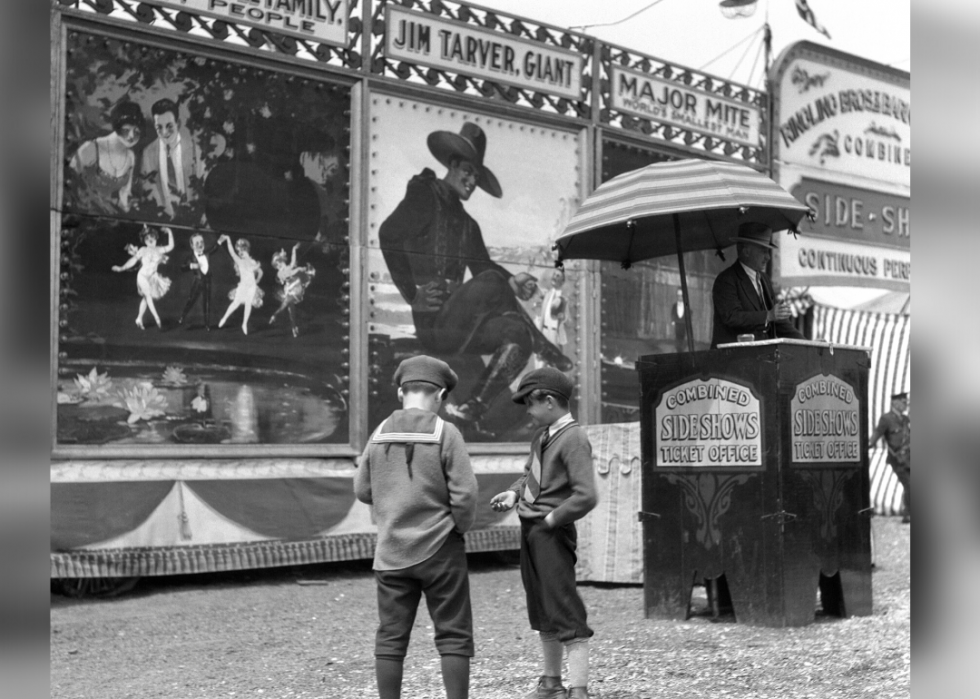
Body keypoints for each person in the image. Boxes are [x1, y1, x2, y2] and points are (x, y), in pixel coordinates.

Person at [379, 122, 572, 433]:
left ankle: (473, 408)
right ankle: (543, 344)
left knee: (515, 334)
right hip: (435, 324)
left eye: (476, 177)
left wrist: (514, 280)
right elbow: (388, 235)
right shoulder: (424, 195)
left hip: (461, 327)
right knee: (497, 284)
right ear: (452, 166)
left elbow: (483, 267)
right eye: (467, 172)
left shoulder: (469, 224)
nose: (471, 181)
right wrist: (412, 295)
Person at [354, 355, 479, 699]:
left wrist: (391, 504)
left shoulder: (378, 434)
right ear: (440, 396)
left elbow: (362, 489)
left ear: (400, 392)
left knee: (391, 636)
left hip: (392, 551)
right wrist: (457, 528)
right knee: (453, 633)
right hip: (441, 549)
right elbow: (465, 495)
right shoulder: (446, 433)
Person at [490, 367, 598, 699]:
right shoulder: (543, 436)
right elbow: (531, 476)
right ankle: (552, 683)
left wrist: (553, 519)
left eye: (529, 403)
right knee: (541, 607)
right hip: (532, 530)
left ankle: (578, 689)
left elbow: (586, 494)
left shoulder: (574, 438)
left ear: (549, 401)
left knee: (564, 607)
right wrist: (513, 493)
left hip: (551, 532)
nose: (527, 410)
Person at [710, 222, 805, 348]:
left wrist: (808, 343)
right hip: (733, 361)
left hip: (761, 359)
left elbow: (780, 324)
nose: (768, 257)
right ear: (746, 251)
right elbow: (732, 317)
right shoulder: (726, 280)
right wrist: (768, 315)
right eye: (763, 251)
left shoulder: (764, 279)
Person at [69, 100, 144, 214]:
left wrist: (125, 208)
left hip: (109, 214)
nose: (131, 136)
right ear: (117, 126)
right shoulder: (92, 148)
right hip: (81, 212)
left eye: (137, 131)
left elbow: (124, 193)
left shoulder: (130, 157)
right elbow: (68, 181)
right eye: (126, 130)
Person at [140, 98, 204, 219]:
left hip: (194, 217)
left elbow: (203, 188)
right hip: (163, 219)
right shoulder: (148, 153)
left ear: (178, 123)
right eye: (159, 127)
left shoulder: (195, 149)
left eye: (169, 126)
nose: (164, 132)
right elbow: (147, 190)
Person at [111, 225, 174, 330]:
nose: (150, 240)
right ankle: (157, 318)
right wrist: (122, 268)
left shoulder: (160, 249)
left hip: (152, 277)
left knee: (145, 298)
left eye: (152, 238)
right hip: (142, 276)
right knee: (148, 295)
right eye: (147, 239)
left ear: (156, 238)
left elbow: (171, 246)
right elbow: (134, 260)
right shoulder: (143, 249)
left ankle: (139, 318)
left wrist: (170, 232)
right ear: (144, 241)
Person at [869, 391, 911, 523]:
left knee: (910, 486)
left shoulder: (905, 419)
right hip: (897, 460)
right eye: (903, 403)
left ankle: (908, 512)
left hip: (909, 458)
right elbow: (877, 433)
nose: (905, 405)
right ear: (895, 403)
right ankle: (908, 514)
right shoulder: (886, 419)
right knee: (909, 484)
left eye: (906, 402)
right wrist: (869, 444)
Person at [216, 235, 264, 335]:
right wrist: (228, 239)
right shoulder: (239, 261)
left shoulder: (252, 262)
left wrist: (258, 279)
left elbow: (260, 272)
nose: (240, 253)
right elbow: (231, 252)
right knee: (235, 303)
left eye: (242, 251)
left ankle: (244, 324)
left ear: (247, 250)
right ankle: (224, 318)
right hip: (243, 286)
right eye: (239, 251)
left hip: (252, 287)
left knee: (248, 304)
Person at [268, 243, 316, 338]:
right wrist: (298, 269)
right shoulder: (280, 273)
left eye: (280, 264)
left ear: (282, 261)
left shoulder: (288, 267)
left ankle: (274, 315)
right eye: (277, 266)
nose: (279, 266)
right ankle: (294, 328)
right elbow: (290, 273)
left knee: (286, 302)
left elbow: (293, 261)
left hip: (296, 288)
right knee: (291, 310)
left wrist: (294, 249)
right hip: (289, 289)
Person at [177, 233, 219, 331]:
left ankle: (207, 324)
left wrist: (220, 241)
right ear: (192, 246)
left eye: (201, 242)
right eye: (197, 243)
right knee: (191, 300)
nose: (200, 245)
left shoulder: (207, 253)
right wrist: (191, 266)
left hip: (207, 280)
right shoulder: (190, 257)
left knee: (207, 302)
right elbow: (182, 268)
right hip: (198, 281)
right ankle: (182, 317)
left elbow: (214, 248)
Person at [536, 269, 568, 358]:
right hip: (545, 332)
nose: (554, 277)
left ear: (562, 281)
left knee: (555, 362)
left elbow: (566, 317)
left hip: (555, 333)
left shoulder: (564, 296)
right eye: (554, 274)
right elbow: (543, 315)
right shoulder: (548, 294)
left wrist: (562, 317)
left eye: (558, 275)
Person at [670, 287, 687, 353]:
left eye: (681, 296)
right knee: (677, 336)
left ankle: (681, 349)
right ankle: (678, 349)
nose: (680, 297)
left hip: (683, 323)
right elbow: (672, 313)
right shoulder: (675, 305)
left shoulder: (686, 305)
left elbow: (688, 313)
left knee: (682, 336)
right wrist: (673, 320)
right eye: (678, 295)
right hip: (677, 323)